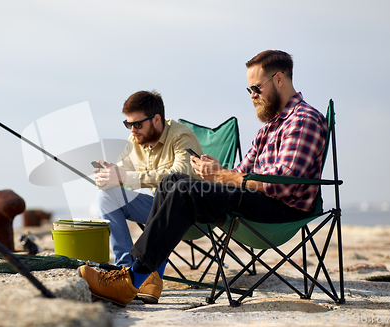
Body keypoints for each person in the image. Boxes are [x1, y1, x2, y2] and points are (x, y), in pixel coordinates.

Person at [80, 50, 328, 307]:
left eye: (256, 88)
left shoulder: (303, 120)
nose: (253, 96)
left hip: (281, 211)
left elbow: (283, 184)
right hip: (257, 199)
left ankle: (131, 279)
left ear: (279, 80)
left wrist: (223, 176)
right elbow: (241, 171)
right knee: (173, 181)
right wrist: (217, 171)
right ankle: (143, 273)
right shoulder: (271, 125)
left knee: (184, 191)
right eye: (249, 90)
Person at [92, 90, 203, 304]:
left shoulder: (181, 136)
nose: (132, 130)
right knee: (106, 196)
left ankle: (148, 276)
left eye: (137, 124)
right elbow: (122, 173)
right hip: (158, 209)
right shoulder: (136, 139)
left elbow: (179, 176)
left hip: (190, 213)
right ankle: (124, 269)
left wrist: (125, 176)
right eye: (128, 124)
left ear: (156, 119)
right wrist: (108, 176)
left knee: (170, 194)